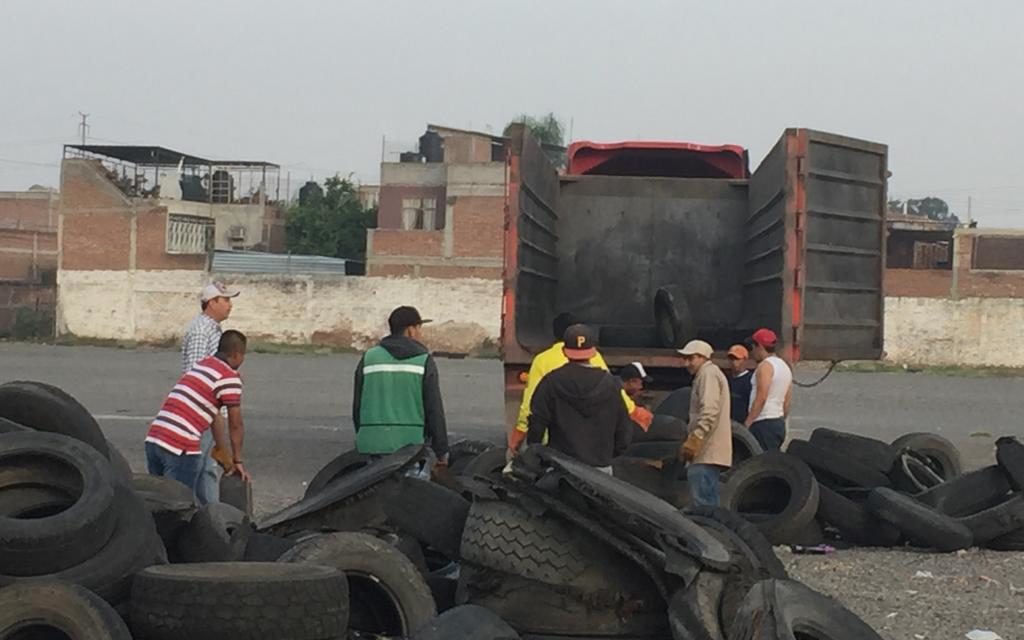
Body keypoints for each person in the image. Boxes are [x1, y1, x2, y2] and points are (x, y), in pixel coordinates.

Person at [510, 313, 652, 459]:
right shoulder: (604, 374)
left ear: (565, 349)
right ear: (591, 351)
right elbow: (620, 407)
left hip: (558, 452)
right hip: (598, 455)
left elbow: (532, 409)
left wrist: (521, 436)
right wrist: (635, 412)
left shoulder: (546, 368)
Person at [146, 330, 251, 489]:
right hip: (179, 447)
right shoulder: (229, 378)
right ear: (237, 355)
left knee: (158, 503)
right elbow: (236, 425)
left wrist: (222, 452)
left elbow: (215, 417)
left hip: (154, 440)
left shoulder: (204, 364)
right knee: (180, 506)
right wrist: (238, 461)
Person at [353, 306, 449, 478]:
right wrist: (441, 451)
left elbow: (357, 406)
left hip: (372, 444)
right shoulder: (423, 360)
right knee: (409, 498)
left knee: (377, 493)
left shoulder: (369, 358)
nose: (420, 334)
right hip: (410, 445)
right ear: (411, 330)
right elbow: (434, 409)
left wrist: (366, 435)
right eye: (419, 328)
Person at [526, 324, 631, 472]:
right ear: (593, 352)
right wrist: (608, 456)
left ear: (564, 351)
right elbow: (624, 430)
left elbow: (537, 422)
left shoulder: (551, 382)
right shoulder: (611, 385)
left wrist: (536, 452)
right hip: (600, 469)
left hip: (560, 467)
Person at [182, 281, 241, 505]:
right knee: (204, 467)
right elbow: (195, 373)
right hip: (203, 411)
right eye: (225, 300)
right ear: (211, 303)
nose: (230, 305)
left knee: (207, 465)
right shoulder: (201, 332)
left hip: (209, 409)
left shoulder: (212, 330)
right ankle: (210, 516)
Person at [677, 340, 732, 506]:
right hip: (708, 451)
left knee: (704, 505)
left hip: (706, 450)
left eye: (690, 358)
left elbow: (709, 410)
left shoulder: (708, 375)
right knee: (708, 500)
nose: (686, 363)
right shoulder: (708, 374)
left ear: (702, 357)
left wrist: (696, 437)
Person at [744, 328, 793, 451]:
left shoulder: (765, 366)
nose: (752, 352)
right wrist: (781, 418)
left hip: (763, 422)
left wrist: (748, 422)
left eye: (752, 347)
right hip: (778, 421)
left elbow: (761, 397)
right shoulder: (784, 366)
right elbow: (787, 400)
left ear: (759, 346)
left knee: (760, 462)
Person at [725, 344, 753, 424]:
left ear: (745, 360)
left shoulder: (750, 380)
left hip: (743, 424)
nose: (733, 362)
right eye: (731, 359)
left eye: (737, 359)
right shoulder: (726, 379)